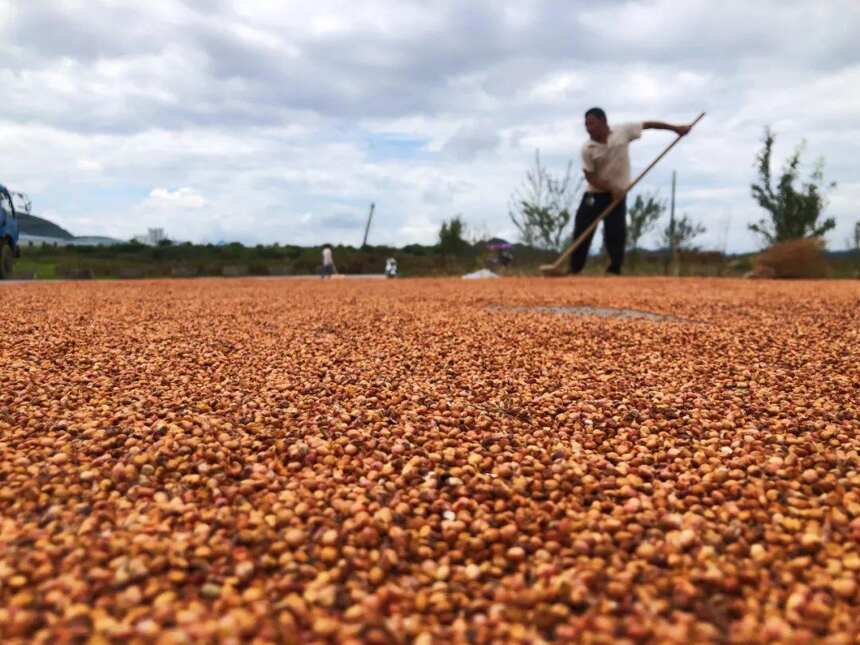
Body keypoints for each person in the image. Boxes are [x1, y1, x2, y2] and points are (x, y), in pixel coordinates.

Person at [570, 108, 691, 275]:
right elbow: (590, 176)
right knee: (582, 230)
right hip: (595, 194)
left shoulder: (623, 131)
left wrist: (676, 129)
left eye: (592, 123)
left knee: (616, 232)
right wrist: (611, 188)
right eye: (586, 124)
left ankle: (614, 270)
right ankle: (574, 270)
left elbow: (649, 125)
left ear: (604, 121)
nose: (588, 128)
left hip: (618, 195)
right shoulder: (587, 148)